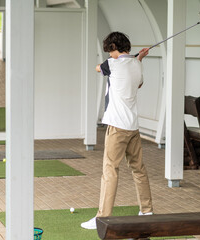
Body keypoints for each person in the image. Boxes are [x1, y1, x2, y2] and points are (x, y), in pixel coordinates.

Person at [81, 32, 153, 230]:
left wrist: (129, 59)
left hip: (117, 127)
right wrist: (138, 59)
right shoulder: (137, 65)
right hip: (133, 127)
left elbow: (98, 68)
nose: (109, 54)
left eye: (110, 51)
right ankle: (147, 211)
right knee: (138, 169)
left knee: (110, 171)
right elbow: (138, 83)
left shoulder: (111, 64)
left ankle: (102, 218)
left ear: (114, 46)